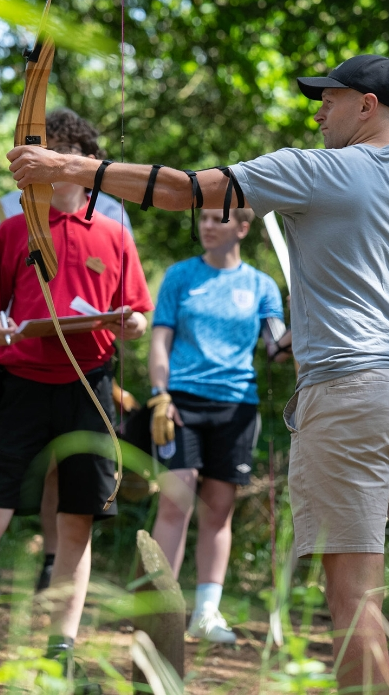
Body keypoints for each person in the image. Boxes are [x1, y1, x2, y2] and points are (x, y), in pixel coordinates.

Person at [9, 53, 389, 690]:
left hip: (350, 397)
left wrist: (71, 167)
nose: (319, 110)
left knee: (354, 598)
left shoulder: (315, 169)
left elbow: (183, 189)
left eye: (331, 99)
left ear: (368, 107)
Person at [0, 114, 153, 688]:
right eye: (38, 154)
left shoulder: (114, 233)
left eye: (56, 155)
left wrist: (129, 324)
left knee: (76, 525)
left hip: (88, 383)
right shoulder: (14, 228)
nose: (39, 167)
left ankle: (59, 655)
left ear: (84, 167)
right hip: (21, 386)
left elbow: (138, 309)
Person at [0, 109, 132, 592]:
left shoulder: (109, 214)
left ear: (87, 161)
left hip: (84, 361)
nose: (53, 161)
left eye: (65, 152)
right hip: (12, 352)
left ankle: (53, 562)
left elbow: (121, 295)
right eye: (47, 149)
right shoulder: (11, 207)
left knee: (65, 468)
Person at [148, 207, 284, 643]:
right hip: (181, 403)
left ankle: (206, 614)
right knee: (176, 499)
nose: (206, 225)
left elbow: (278, 349)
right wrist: (160, 394)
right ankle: (160, 609)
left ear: (242, 228)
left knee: (218, 510)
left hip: (237, 407)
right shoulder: (179, 276)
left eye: (217, 219)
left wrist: (308, 316)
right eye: (202, 217)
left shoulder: (262, 286)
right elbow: (159, 341)